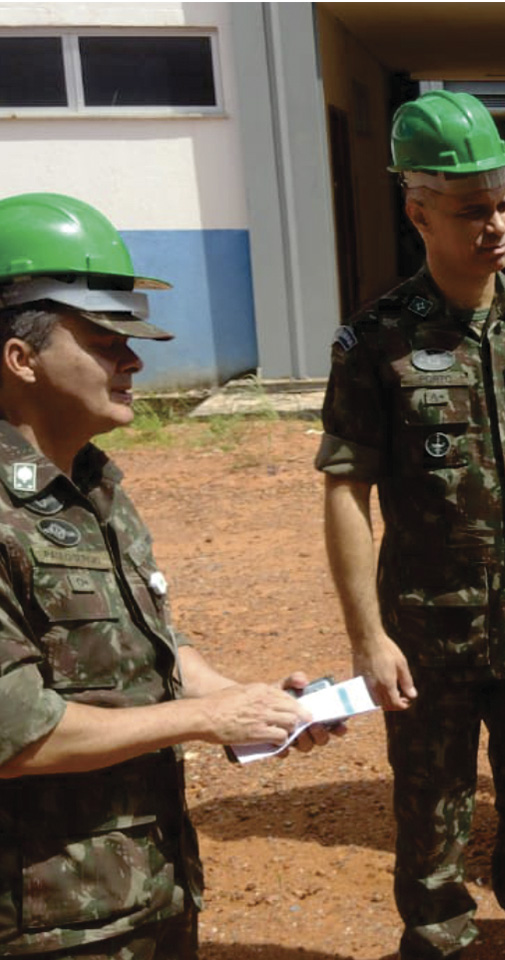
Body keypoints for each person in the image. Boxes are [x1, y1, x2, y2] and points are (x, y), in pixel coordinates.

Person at [0, 192, 332, 958]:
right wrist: (206, 721)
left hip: (141, 892)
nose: (134, 361)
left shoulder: (92, 483)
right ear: (21, 358)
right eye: (104, 342)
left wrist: (253, 704)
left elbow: (150, 652)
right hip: (42, 920)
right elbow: (18, 737)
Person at [316, 91, 505, 960]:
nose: (497, 226)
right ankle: (436, 938)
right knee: (432, 813)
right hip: (432, 636)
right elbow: (344, 491)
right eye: (472, 210)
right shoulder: (376, 342)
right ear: (418, 214)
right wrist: (367, 638)